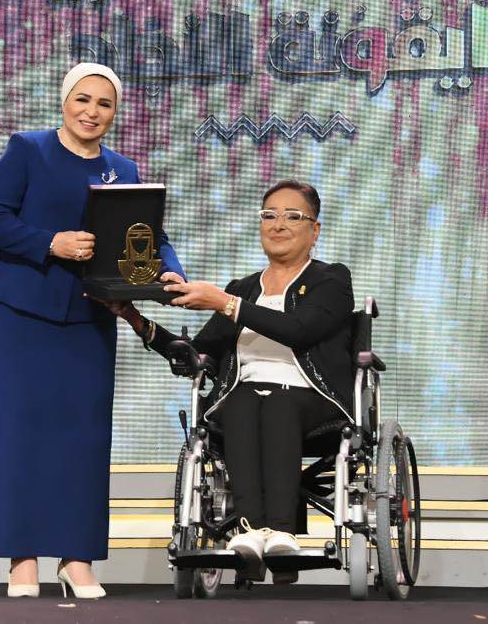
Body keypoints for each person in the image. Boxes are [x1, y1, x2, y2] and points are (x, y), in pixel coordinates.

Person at [0, 62, 185, 599]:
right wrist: (51, 243)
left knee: (82, 438)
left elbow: (149, 233)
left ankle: (76, 558)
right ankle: (22, 558)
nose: (92, 112)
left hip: (90, 315)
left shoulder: (123, 167)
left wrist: (170, 269)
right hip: (21, 313)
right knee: (17, 433)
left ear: (115, 112)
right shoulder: (29, 149)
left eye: (104, 104)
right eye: (83, 100)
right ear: (64, 101)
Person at [105, 180, 354, 584]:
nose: (278, 224)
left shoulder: (332, 280)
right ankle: (251, 533)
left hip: (315, 400)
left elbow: (300, 330)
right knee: (237, 401)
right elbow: (197, 355)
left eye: (293, 216)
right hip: (245, 401)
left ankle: (282, 534)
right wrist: (134, 318)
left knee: (276, 400)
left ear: (315, 230)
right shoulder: (244, 288)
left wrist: (225, 303)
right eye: (269, 215)